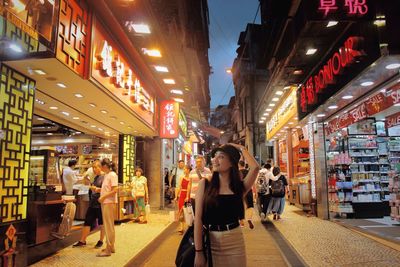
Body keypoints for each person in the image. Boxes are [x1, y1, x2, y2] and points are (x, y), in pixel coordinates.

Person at [194, 144, 260, 267]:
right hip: (211, 241)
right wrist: (199, 252)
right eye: (214, 157)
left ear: (231, 163)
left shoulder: (239, 187)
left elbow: (255, 167)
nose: (214, 160)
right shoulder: (205, 184)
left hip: (235, 241)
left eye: (221, 157)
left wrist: (241, 148)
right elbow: (198, 219)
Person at [73, 161, 105, 248]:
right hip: (93, 203)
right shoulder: (95, 177)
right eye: (93, 167)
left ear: (100, 167)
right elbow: (90, 185)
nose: (94, 169)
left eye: (96, 167)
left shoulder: (104, 177)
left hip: (100, 203)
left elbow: (108, 190)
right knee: (87, 221)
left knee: (102, 223)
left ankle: (101, 240)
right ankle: (82, 240)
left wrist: (97, 189)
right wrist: (91, 187)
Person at [97, 158, 118, 257]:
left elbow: (115, 190)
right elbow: (108, 189)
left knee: (108, 226)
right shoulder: (107, 175)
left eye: (100, 166)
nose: (100, 168)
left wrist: (103, 197)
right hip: (106, 201)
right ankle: (111, 246)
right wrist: (99, 190)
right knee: (108, 225)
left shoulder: (112, 175)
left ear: (105, 166)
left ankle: (108, 249)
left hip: (108, 202)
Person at [175, 165, 192, 233]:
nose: (184, 170)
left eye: (185, 169)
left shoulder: (191, 177)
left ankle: (189, 225)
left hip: (189, 195)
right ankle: (181, 227)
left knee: (188, 211)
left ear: (188, 170)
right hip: (182, 194)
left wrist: (188, 196)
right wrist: (176, 196)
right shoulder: (182, 177)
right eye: (184, 169)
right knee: (181, 210)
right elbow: (179, 187)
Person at [238, 160, 254, 229]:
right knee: (250, 206)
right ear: (244, 165)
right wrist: (255, 192)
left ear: (239, 165)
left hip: (240, 191)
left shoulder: (237, 173)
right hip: (249, 190)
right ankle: (249, 219)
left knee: (241, 206)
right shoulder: (249, 172)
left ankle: (241, 221)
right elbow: (253, 183)